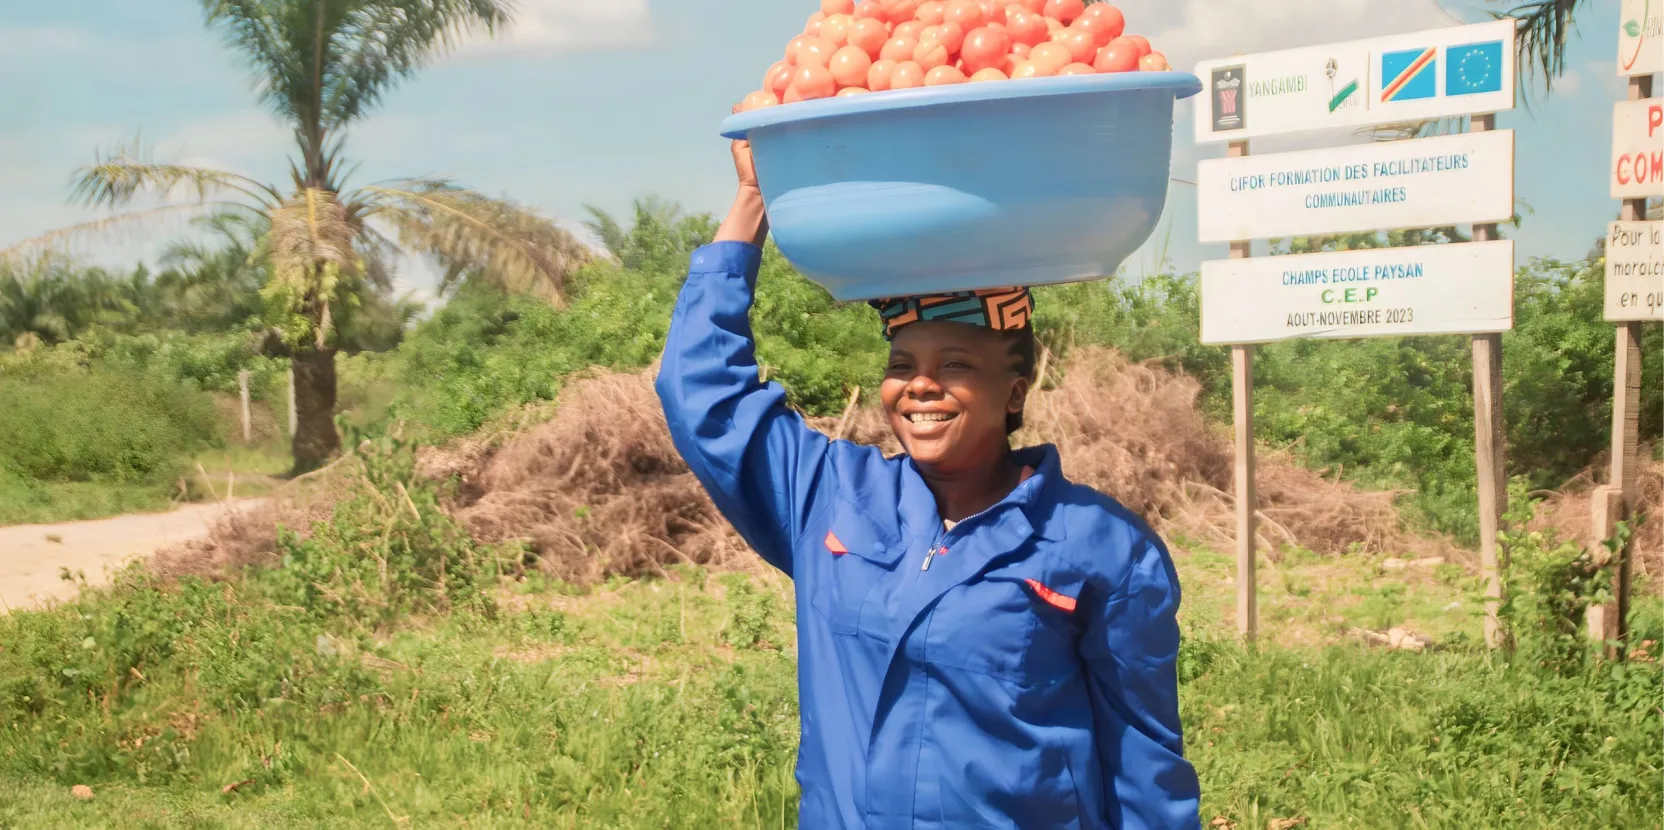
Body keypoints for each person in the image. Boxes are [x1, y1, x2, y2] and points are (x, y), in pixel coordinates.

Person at [654, 131, 1201, 829]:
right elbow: (701, 393)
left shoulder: (1101, 547)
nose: (920, 386)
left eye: (955, 366)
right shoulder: (830, 495)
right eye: (902, 363)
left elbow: (1144, 765)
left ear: (1014, 388)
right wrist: (753, 203)